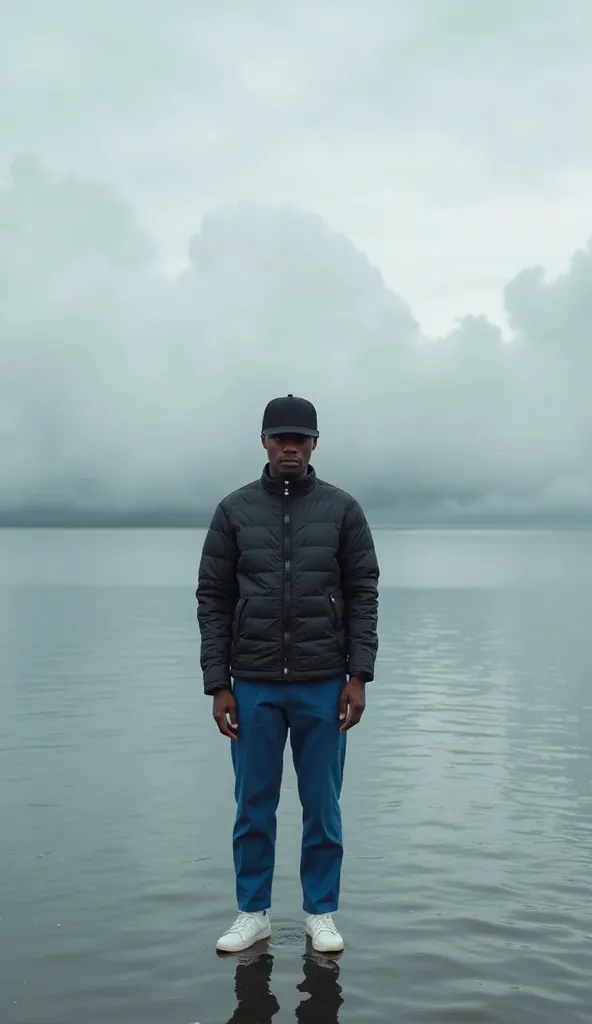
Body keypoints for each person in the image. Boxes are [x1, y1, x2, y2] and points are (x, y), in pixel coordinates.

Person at [196, 394, 379, 954]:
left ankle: (321, 913)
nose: (290, 446)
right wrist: (218, 682)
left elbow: (363, 593)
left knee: (323, 805)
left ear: (315, 444)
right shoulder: (233, 511)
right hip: (251, 683)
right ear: (264, 442)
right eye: (281, 437)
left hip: (325, 681)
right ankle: (253, 912)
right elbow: (213, 597)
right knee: (254, 804)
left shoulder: (342, 510)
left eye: (300, 438)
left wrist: (360, 675)